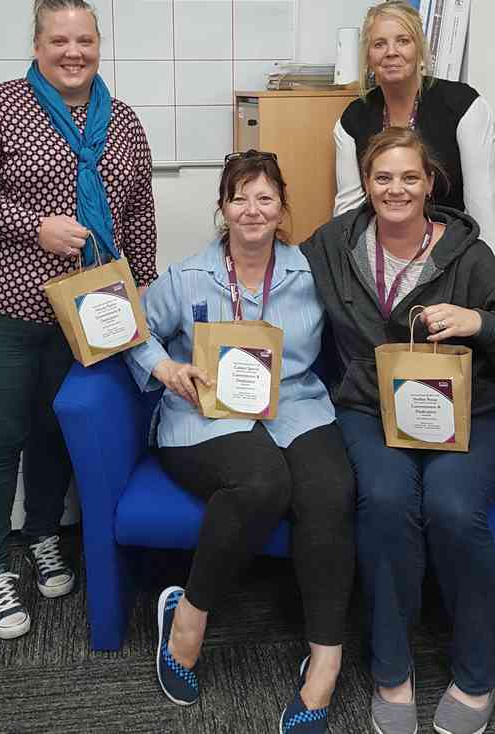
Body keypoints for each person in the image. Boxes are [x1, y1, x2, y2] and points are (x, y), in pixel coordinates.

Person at [301, 127, 495, 734]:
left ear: (431, 183)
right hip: (371, 409)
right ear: (365, 185)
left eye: (409, 177)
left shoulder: (469, 255)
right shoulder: (333, 245)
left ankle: (478, 673)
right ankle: (392, 671)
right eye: (383, 177)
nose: (396, 189)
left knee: (450, 504)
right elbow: (262, 265)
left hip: (470, 411)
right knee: (385, 500)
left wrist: (480, 322)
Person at [0, 0, 157, 640]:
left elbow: (137, 210)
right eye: (58, 40)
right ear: (37, 46)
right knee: (0, 434)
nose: (73, 52)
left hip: (84, 313)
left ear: (98, 45)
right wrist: (36, 227)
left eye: (83, 40)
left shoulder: (123, 122)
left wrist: (139, 282)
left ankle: (41, 538)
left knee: (54, 433)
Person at [125, 150, 355, 733]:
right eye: (239, 198)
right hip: (204, 413)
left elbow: (360, 323)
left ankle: (325, 662)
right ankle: (188, 619)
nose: (252, 210)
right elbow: (136, 330)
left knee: (330, 490)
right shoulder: (188, 276)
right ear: (223, 208)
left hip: (294, 406)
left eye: (265, 198)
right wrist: (165, 370)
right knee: (262, 481)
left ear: (282, 207)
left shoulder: (312, 274)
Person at [334, 0, 495, 268]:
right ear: (368, 57)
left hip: (450, 256)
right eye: (379, 44)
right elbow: (348, 214)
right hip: (382, 259)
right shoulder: (352, 120)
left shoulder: (463, 107)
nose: (391, 52)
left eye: (402, 41)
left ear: (420, 50)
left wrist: (491, 282)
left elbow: (482, 208)